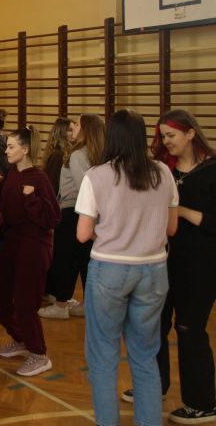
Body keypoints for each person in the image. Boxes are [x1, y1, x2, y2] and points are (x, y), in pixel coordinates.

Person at [76, 109, 178, 426]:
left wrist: (111, 231)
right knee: (146, 356)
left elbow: (82, 234)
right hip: (154, 270)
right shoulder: (163, 172)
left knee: (103, 356)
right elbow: (172, 228)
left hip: (110, 270)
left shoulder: (97, 175)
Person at [146, 109, 216, 424]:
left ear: (190, 133)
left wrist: (181, 211)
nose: (166, 141)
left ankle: (202, 403)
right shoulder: (165, 170)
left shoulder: (212, 171)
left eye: (171, 135)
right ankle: (155, 385)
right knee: (155, 325)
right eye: (163, 136)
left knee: (189, 330)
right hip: (164, 262)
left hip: (200, 267)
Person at [0, 127, 60, 377]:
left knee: (25, 303)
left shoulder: (39, 178)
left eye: (11, 147)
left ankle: (39, 354)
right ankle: (22, 339)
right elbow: (6, 210)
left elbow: (52, 218)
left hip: (34, 246)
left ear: (25, 149)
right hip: (13, 244)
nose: (6, 151)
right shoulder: (11, 174)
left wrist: (32, 199)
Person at [41, 114, 104, 320]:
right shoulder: (97, 154)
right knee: (84, 260)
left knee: (65, 259)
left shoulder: (77, 155)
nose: (73, 127)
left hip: (73, 212)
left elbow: (84, 186)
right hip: (87, 213)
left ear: (86, 130)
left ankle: (61, 304)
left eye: (77, 124)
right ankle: (87, 303)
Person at [39, 118, 72, 195]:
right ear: (62, 133)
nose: (74, 133)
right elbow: (53, 186)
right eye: (70, 130)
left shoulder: (63, 153)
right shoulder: (57, 155)